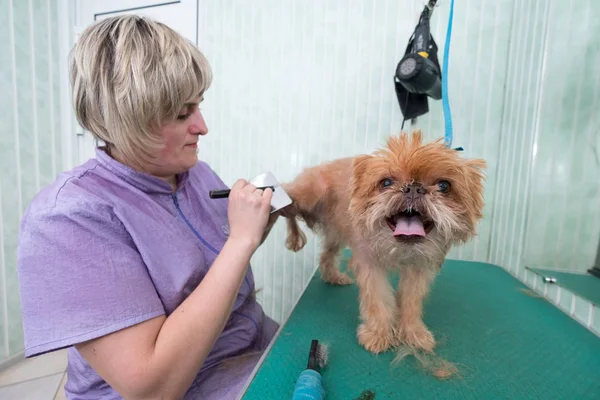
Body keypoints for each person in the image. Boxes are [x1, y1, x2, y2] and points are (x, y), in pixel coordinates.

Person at [17, 15, 283, 400]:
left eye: (198, 105)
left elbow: (219, 263)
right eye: (180, 114)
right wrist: (241, 241)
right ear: (125, 121)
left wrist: (259, 223)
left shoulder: (196, 173)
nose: (203, 126)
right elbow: (153, 387)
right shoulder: (68, 219)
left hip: (251, 352)